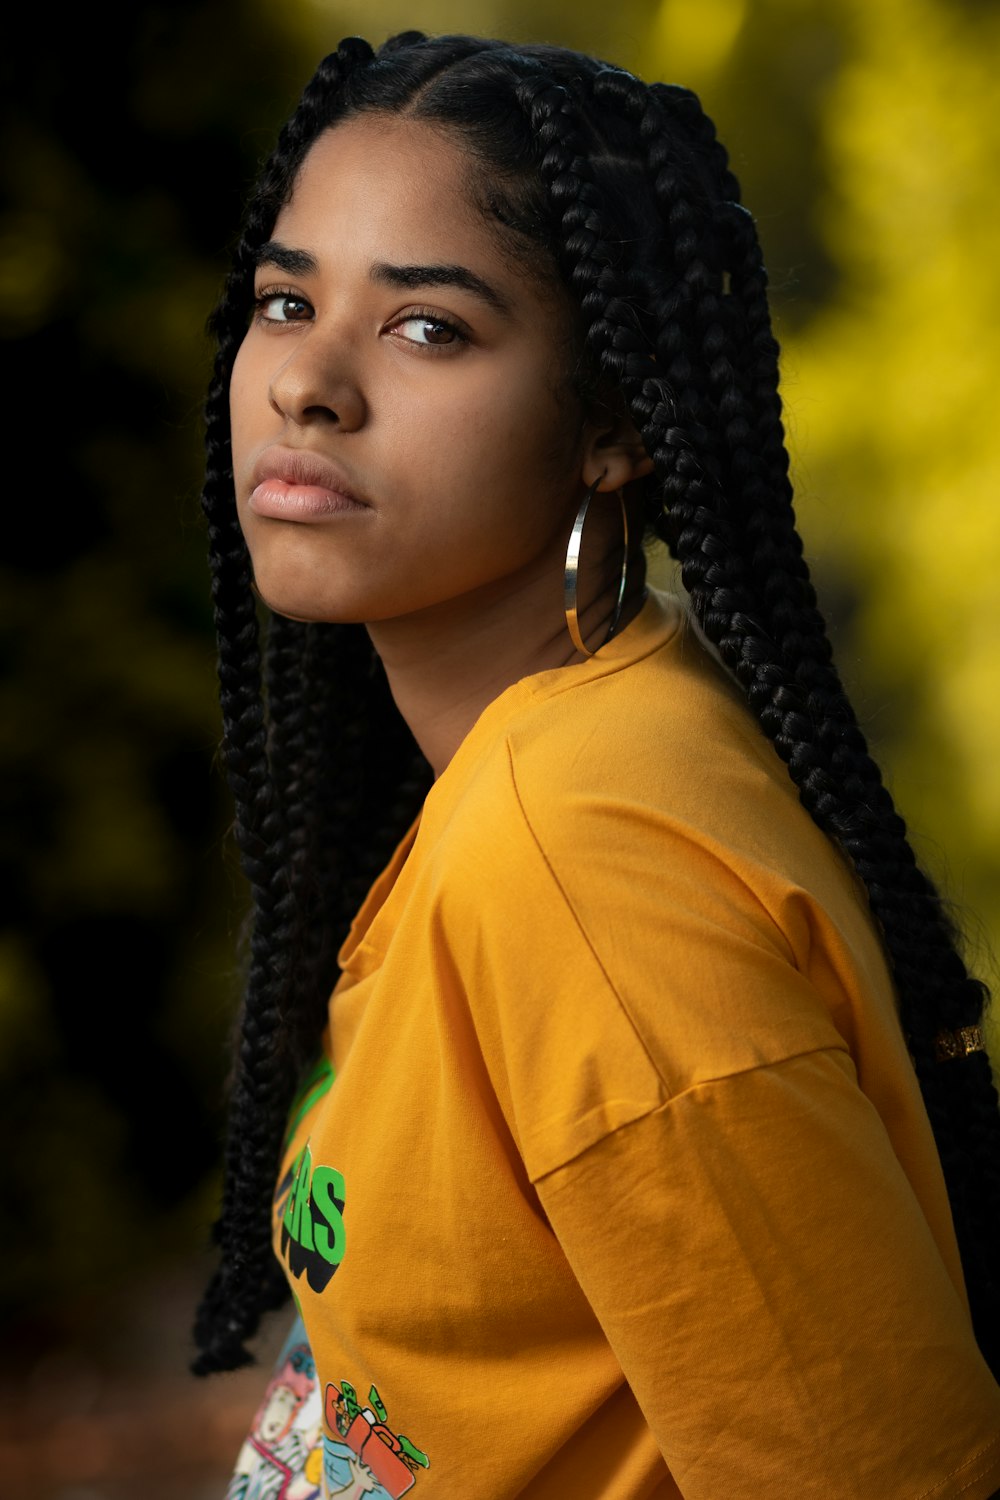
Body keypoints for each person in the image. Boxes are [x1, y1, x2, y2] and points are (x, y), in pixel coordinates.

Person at [193, 30, 1000, 1499]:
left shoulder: (579, 851)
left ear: (612, 424)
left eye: (428, 327)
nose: (306, 380)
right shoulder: (592, 718)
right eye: (286, 299)